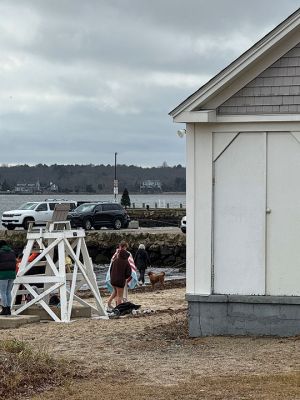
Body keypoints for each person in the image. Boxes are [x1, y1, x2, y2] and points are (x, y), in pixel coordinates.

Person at [107, 241, 131, 310]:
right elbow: (128, 273)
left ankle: (109, 303)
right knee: (120, 296)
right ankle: (119, 309)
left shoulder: (115, 260)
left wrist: (112, 277)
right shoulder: (126, 262)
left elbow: (111, 269)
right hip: (120, 281)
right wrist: (125, 278)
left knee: (115, 292)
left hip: (113, 280)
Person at [0, 240, 16, 316]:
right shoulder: (12, 252)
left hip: (3, 274)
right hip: (12, 274)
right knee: (8, 292)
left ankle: (4, 309)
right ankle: (9, 309)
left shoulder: (0, 252)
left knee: (2, 292)